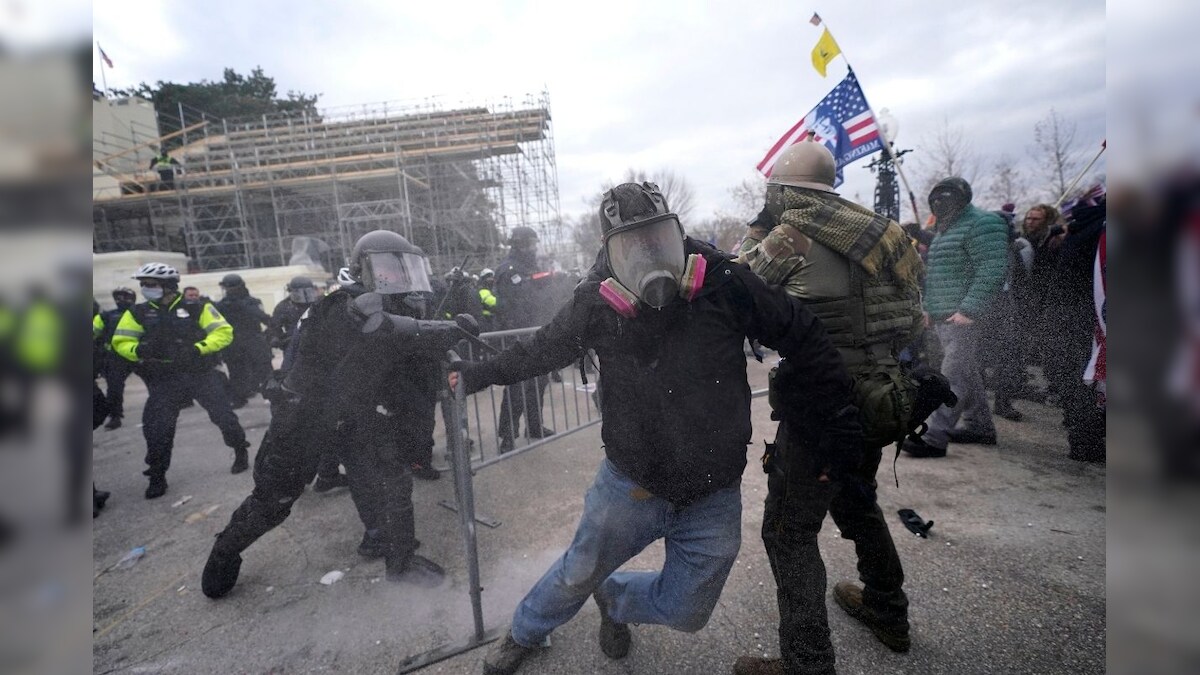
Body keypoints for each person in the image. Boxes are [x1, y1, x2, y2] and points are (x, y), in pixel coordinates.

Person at [449, 183, 858, 675]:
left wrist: (834, 420)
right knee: (575, 574)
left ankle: (614, 598)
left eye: (657, 238)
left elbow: (805, 334)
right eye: (631, 245)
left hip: (712, 494)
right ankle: (524, 634)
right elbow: (536, 353)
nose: (649, 255)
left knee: (688, 612)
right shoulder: (594, 303)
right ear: (609, 254)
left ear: (678, 234)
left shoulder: (726, 283)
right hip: (630, 487)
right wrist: (473, 376)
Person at [732, 139, 924, 674]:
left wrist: (755, 229)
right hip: (885, 395)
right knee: (858, 499)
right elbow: (915, 317)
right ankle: (888, 611)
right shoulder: (884, 233)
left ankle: (807, 663)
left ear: (784, 191)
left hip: (824, 399)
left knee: (788, 531)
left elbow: (739, 290)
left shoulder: (791, 234)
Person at [201, 230, 474, 599]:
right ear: (363, 268)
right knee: (274, 501)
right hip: (305, 418)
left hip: (352, 415)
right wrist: (442, 329)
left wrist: (452, 330)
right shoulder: (342, 305)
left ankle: (397, 558)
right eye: (387, 268)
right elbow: (387, 331)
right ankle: (224, 552)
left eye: (404, 268)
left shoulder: (395, 306)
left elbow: (406, 349)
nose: (397, 277)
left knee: (390, 484)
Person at [110, 263, 251, 498]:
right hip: (165, 378)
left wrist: (199, 349)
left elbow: (223, 332)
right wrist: (139, 350)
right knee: (157, 427)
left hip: (201, 373)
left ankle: (239, 449)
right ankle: (157, 475)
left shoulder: (197, 307)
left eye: (151, 284)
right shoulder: (137, 312)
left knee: (223, 416)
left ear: (168, 286)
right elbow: (121, 342)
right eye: (143, 284)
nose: (145, 288)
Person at [902, 177, 1008, 458]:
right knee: (967, 372)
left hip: (964, 317)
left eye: (945, 197)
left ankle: (934, 437)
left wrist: (969, 309)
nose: (939, 202)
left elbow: (992, 269)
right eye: (935, 198)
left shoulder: (983, 223)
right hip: (944, 316)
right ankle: (980, 427)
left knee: (951, 378)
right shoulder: (944, 231)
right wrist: (929, 308)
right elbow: (937, 275)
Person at [493, 226, 559, 454]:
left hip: (536, 333)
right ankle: (508, 434)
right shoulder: (508, 270)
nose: (533, 248)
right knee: (517, 386)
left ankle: (534, 425)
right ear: (519, 244)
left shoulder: (529, 267)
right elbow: (516, 305)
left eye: (534, 243)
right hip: (518, 336)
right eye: (530, 244)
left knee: (538, 383)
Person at [216, 273, 273, 408]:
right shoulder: (222, 305)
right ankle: (240, 397)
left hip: (252, 338)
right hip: (234, 342)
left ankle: (271, 393)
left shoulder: (252, 302)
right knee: (237, 371)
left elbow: (263, 318)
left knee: (263, 369)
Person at [98, 287, 138, 429]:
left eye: (125, 297)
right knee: (114, 388)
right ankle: (115, 416)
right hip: (116, 358)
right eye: (118, 297)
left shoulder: (142, 312)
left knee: (159, 383)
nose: (121, 300)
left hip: (140, 355)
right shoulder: (107, 316)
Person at [477, 268, 498, 332]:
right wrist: (503, 301)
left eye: (491, 277)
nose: (491, 279)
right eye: (488, 277)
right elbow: (491, 301)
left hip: (492, 319)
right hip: (486, 319)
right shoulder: (482, 290)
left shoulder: (492, 290)